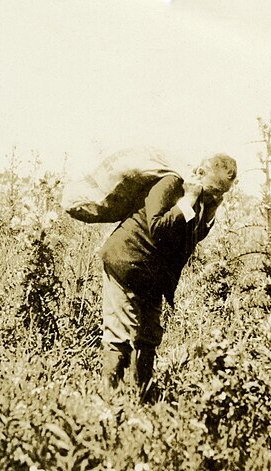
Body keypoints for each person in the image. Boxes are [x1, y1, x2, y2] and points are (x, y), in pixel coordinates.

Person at [99, 153, 237, 396]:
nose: (216, 196)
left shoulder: (205, 200)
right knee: (121, 331)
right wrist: (191, 197)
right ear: (199, 173)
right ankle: (108, 398)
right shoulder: (171, 183)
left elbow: (189, 237)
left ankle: (143, 394)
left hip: (151, 275)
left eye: (222, 193)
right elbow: (157, 227)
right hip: (127, 261)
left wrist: (210, 208)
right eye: (215, 190)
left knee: (150, 335)